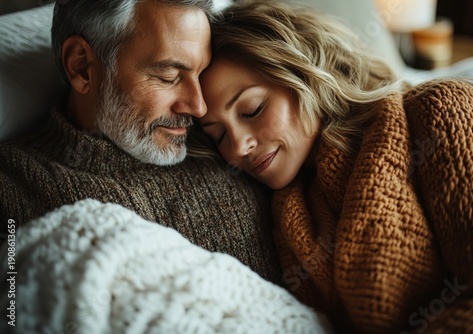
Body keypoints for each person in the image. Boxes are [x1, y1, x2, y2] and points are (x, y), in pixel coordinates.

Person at [192, 1, 473, 333]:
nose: (238, 147)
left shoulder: (439, 111)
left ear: (307, 77)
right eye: (218, 134)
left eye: (252, 109)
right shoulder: (290, 211)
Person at [0, 0, 283, 284]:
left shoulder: (223, 142)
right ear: (82, 66)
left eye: (200, 73)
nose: (198, 107)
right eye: (169, 76)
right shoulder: (13, 185)